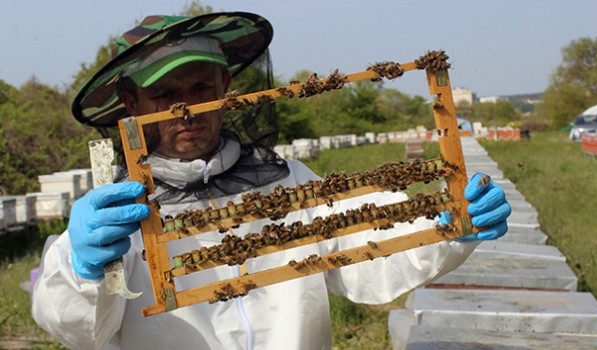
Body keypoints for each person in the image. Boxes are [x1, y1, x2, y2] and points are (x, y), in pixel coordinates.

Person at [32, 12, 511, 350]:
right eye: (163, 95)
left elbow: (365, 259)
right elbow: (79, 331)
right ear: (132, 106)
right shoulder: (115, 215)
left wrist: (447, 227)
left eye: (201, 89)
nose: (186, 110)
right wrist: (80, 270)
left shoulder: (289, 182)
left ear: (225, 92)